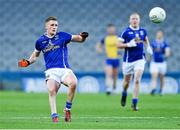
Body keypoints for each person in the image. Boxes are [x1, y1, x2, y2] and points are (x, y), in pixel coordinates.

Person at [18, 16, 88, 123]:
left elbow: (79, 39)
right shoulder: (40, 41)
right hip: (51, 71)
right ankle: (54, 115)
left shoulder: (63, 36)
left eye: (56, 25)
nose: (54, 27)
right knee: (51, 90)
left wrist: (83, 37)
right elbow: (35, 55)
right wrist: (28, 62)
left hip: (64, 69)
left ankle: (67, 109)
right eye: (52, 25)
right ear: (46, 26)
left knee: (73, 83)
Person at [117, 13, 153, 111]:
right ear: (130, 20)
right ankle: (124, 92)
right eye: (133, 19)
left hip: (140, 59)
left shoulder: (143, 31)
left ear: (139, 20)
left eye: (136, 19)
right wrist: (128, 44)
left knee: (137, 80)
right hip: (128, 61)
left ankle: (134, 103)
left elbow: (145, 39)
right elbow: (118, 45)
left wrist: (148, 46)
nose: (134, 20)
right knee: (126, 82)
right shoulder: (126, 32)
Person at [96, 24, 120, 95]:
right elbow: (98, 45)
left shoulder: (118, 38)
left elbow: (123, 45)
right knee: (109, 73)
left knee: (115, 75)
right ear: (107, 30)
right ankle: (108, 88)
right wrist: (99, 50)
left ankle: (114, 88)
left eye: (112, 29)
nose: (111, 30)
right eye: (110, 29)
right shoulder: (105, 38)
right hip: (108, 58)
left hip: (116, 58)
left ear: (114, 29)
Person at [150, 30, 170, 95]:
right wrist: (148, 57)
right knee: (154, 76)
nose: (159, 35)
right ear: (156, 34)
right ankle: (153, 88)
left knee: (162, 77)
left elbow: (168, 52)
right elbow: (150, 52)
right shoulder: (153, 43)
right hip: (154, 62)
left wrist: (165, 55)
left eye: (160, 33)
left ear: (162, 34)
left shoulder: (165, 43)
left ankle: (161, 90)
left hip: (162, 62)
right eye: (158, 33)